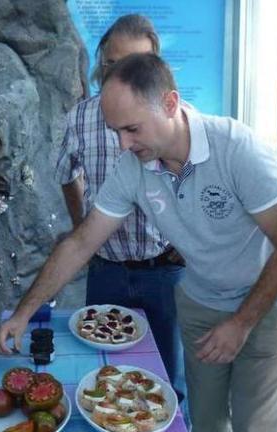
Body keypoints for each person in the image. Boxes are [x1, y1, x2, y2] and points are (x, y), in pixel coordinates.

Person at [0, 53, 277, 432]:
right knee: (206, 430)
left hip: (268, 306)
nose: (122, 144)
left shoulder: (236, 146)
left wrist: (242, 322)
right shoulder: (133, 168)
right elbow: (82, 242)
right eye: (115, 131)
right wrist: (25, 312)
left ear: (171, 103)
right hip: (202, 301)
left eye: (132, 129)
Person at [54, 14, 187, 403]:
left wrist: (185, 242)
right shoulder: (80, 117)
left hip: (163, 267)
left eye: (135, 64)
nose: (121, 74)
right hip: (108, 268)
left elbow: (193, 182)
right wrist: (83, 228)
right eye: (112, 64)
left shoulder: (173, 118)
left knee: (169, 377)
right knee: (104, 372)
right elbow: (66, 172)